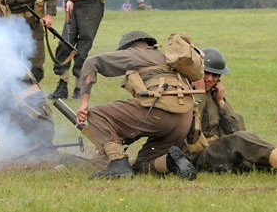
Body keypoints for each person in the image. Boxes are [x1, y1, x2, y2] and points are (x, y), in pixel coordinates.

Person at [178, 47, 277, 179]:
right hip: (198, 156)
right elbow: (188, 127)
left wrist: (221, 103)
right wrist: (198, 93)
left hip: (222, 153)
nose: (210, 79)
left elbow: (236, 128)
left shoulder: (214, 95)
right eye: (206, 73)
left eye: (215, 75)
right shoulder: (184, 95)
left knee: (259, 156)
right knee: (240, 141)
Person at [75, 31, 199, 179]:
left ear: (129, 47)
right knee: (142, 164)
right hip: (184, 120)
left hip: (161, 111)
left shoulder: (135, 53)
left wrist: (84, 104)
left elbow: (91, 62)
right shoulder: (167, 59)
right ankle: (170, 161)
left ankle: (118, 163)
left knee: (97, 114)